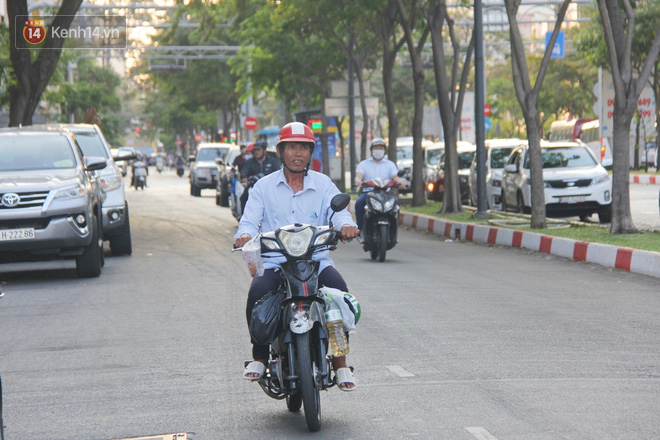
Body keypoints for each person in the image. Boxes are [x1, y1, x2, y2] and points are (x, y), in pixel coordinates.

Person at [234, 122, 359, 391]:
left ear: (310, 152)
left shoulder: (324, 184)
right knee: (257, 293)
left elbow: (340, 212)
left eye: (304, 147)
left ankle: (340, 363)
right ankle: (259, 356)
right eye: (292, 147)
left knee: (339, 294)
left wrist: (346, 225)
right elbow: (248, 221)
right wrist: (244, 235)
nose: (298, 153)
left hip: (316, 262)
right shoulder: (263, 187)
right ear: (281, 151)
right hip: (276, 262)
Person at [354, 137, 402, 238]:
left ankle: (393, 230)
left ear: (384, 150)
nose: (378, 150)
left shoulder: (390, 164)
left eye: (381, 147)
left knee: (396, 205)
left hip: (386, 193)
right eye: (376, 147)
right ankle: (361, 231)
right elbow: (358, 176)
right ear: (371, 149)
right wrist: (358, 181)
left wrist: (400, 182)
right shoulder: (364, 164)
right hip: (368, 193)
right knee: (359, 203)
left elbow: (395, 176)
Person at [239, 141, 280, 213]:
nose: (256, 152)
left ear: (264, 150)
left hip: (270, 188)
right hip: (253, 187)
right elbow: (244, 172)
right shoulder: (249, 162)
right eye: (255, 150)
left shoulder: (272, 161)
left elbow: (278, 172)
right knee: (243, 197)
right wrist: (244, 179)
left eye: (258, 150)